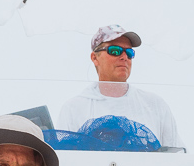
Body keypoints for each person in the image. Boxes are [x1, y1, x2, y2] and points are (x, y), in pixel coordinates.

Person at [56, 25, 184, 148]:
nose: (124, 57)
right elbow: (65, 161)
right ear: (95, 58)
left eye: (129, 52)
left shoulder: (155, 105)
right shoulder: (73, 108)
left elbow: (177, 155)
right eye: (115, 51)